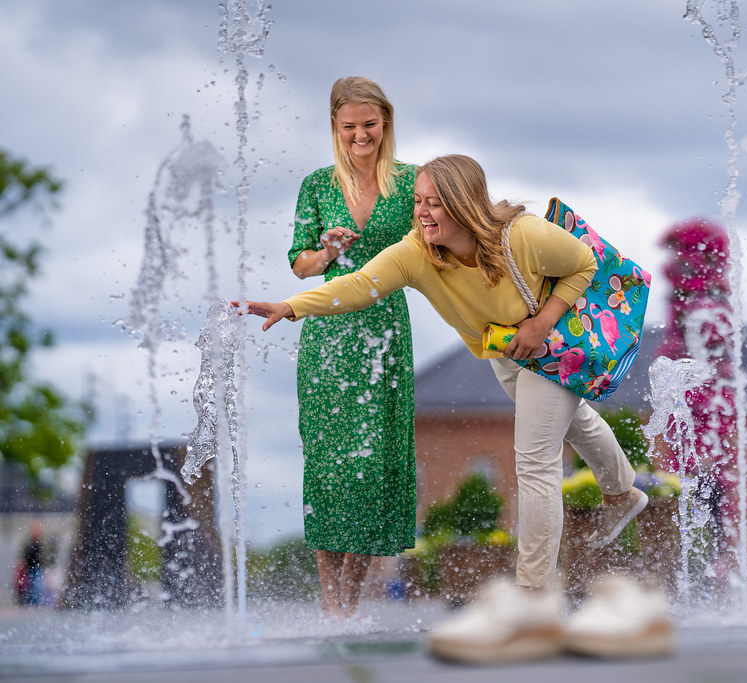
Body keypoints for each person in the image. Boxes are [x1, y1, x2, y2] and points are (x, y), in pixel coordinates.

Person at [235, 154, 651, 657]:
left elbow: (584, 264)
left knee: (535, 459)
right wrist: (292, 306)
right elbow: (360, 285)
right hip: (504, 351)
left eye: (434, 203)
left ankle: (532, 598)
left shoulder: (521, 235)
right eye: (418, 202)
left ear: (464, 204)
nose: (423, 213)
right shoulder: (415, 252)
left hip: (551, 344)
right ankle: (623, 492)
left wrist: (542, 324)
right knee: (577, 421)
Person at [287, 76, 417, 621]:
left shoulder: (413, 182)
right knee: (329, 467)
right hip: (328, 336)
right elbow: (299, 264)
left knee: (372, 467)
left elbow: (437, 245)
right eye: (349, 127)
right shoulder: (317, 185)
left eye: (369, 124)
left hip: (384, 331)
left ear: (385, 122)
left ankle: (350, 596)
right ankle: (329, 598)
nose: (360, 135)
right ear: (335, 129)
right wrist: (325, 249)